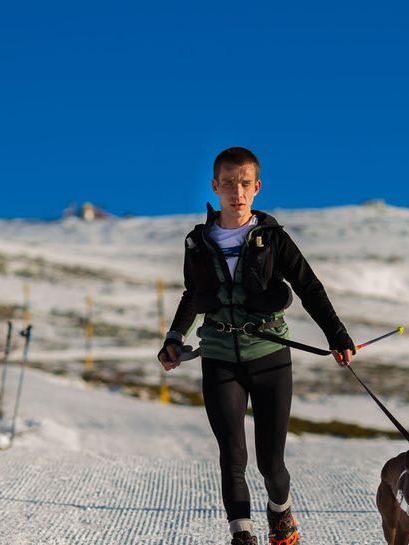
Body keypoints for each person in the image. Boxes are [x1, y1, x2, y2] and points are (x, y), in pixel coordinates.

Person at [158, 147, 355, 545]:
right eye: (228, 183)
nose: (237, 191)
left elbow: (309, 288)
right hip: (218, 357)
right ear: (215, 186)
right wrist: (174, 338)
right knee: (232, 456)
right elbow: (192, 294)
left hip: (269, 357)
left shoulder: (274, 239)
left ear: (257, 187)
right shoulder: (197, 242)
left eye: (245, 183)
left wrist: (337, 336)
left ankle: (280, 512)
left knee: (270, 462)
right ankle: (241, 534)